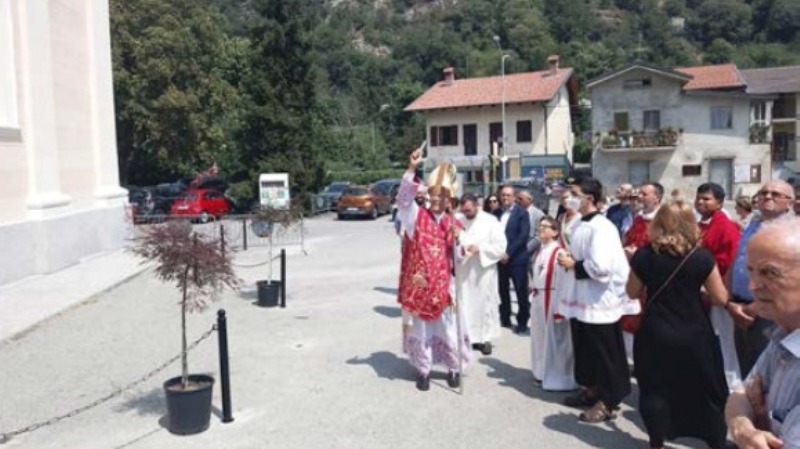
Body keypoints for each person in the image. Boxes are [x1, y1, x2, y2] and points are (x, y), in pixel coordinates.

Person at [627, 200, 751, 449]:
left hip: (655, 330)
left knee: (654, 388)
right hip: (694, 331)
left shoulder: (644, 255)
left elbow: (632, 292)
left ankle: (656, 441)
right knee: (706, 387)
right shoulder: (701, 257)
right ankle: (714, 440)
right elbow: (719, 297)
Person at [557, 178, 636, 423]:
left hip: (600, 299)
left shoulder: (602, 227)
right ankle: (592, 388)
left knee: (605, 351)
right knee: (585, 347)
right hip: (583, 296)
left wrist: (573, 264)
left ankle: (609, 399)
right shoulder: (581, 223)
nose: (570, 197)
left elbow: (602, 267)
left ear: (589, 198)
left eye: (575, 193)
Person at [396, 148, 469, 391]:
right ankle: (423, 370)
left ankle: (453, 368)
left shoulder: (453, 222)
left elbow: (459, 258)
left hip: (443, 287)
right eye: (434, 195)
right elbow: (403, 200)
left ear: (450, 199)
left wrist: (460, 242)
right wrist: (412, 169)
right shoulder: (416, 216)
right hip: (420, 286)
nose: (436, 200)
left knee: (448, 328)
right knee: (422, 329)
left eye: (442, 196)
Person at [725, 217, 800, 449]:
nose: (752, 286)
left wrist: (756, 422)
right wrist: (744, 427)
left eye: (770, 273)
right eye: (751, 271)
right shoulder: (784, 334)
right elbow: (739, 395)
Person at [729, 181, 794, 378]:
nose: (767, 196)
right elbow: (738, 261)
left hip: (771, 313)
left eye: (776, 194)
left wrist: (755, 307)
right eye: (763, 193)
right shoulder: (753, 225)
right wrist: (730, 302)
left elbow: (789, 278)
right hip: (740, 307)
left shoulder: (792, 232)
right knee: (748, 370)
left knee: (770, 374)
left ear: (789, 202)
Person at [696, 182, 744, 390]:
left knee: (725, 339)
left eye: (706, 199)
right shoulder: (702, 224)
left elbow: (730, 260)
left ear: (719, 202)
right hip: (701, 290)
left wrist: (715, 288)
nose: (700, 202)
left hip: (718, 291)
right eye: (699, 198)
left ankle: (733, 386)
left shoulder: (725, 226)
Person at [454, 193, 507, 356]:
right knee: (465, 304)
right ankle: (467, 337)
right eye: (464, 211)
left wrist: (481, 249)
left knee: (484, 305)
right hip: (464, 271)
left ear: (477, 205)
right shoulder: (459, 220)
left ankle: (485, 339)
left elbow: (500, 247)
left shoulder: (490, 221)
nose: (467, 214)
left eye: (469, 210)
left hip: (483, 271)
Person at [529, 216, 578, 391]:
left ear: (556, 232)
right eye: (539, 226)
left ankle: (558, 377)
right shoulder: (541, 250)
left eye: (545, 226)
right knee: (539, 337)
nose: (541, 229)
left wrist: (560, 308)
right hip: (538, 298)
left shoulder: (559, 252)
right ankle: (540, 371)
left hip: (552, 299)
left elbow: (564, 281)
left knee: (555, 339)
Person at [494, 185, 532, 334]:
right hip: (499, 259)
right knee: (502, 291)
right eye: (503, 195)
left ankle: (522, 321)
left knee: (520, 291)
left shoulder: (522, 213)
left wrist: (508, 253)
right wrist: (498, 253)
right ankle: (505, 318)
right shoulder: (496, 213)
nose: (505, 198)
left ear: (514, 197)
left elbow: (522, 236)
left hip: (517, 259)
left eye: (508, 195)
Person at [517, 190, 545, 257]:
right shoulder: (516, 213)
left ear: (530, 199)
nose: (518, 201)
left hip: (531, 254)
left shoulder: (538, 214)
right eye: (517, 198)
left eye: (520, 198)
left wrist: (525, 250)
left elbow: (539, 236)